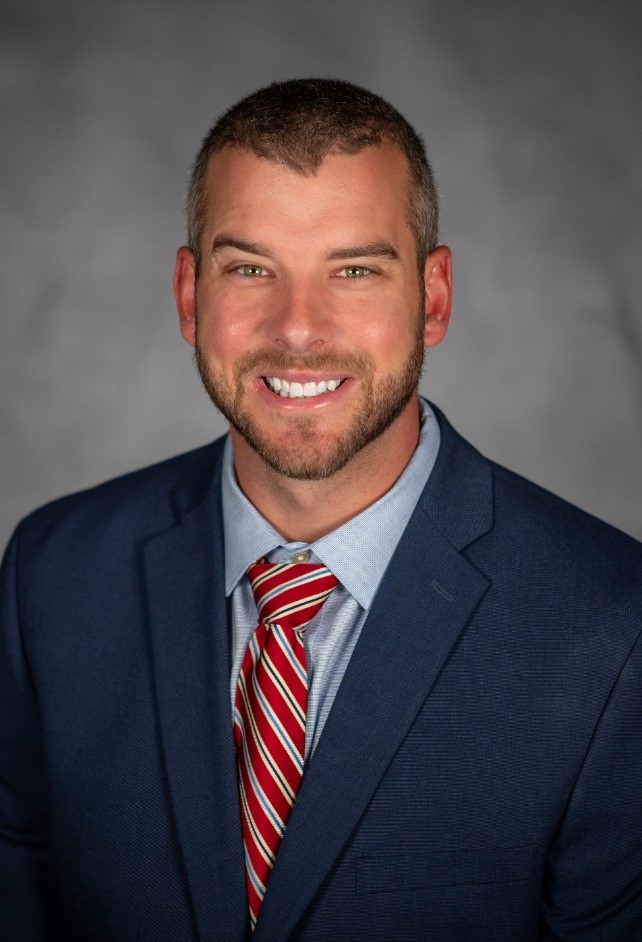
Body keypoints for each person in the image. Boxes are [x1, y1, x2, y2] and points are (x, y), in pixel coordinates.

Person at [1, 78, 641, 942]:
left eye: (354, 271)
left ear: (434, 296)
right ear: (191, 294)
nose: (298, 328)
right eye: (251, 268)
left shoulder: (612, 627)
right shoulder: (53, 573)